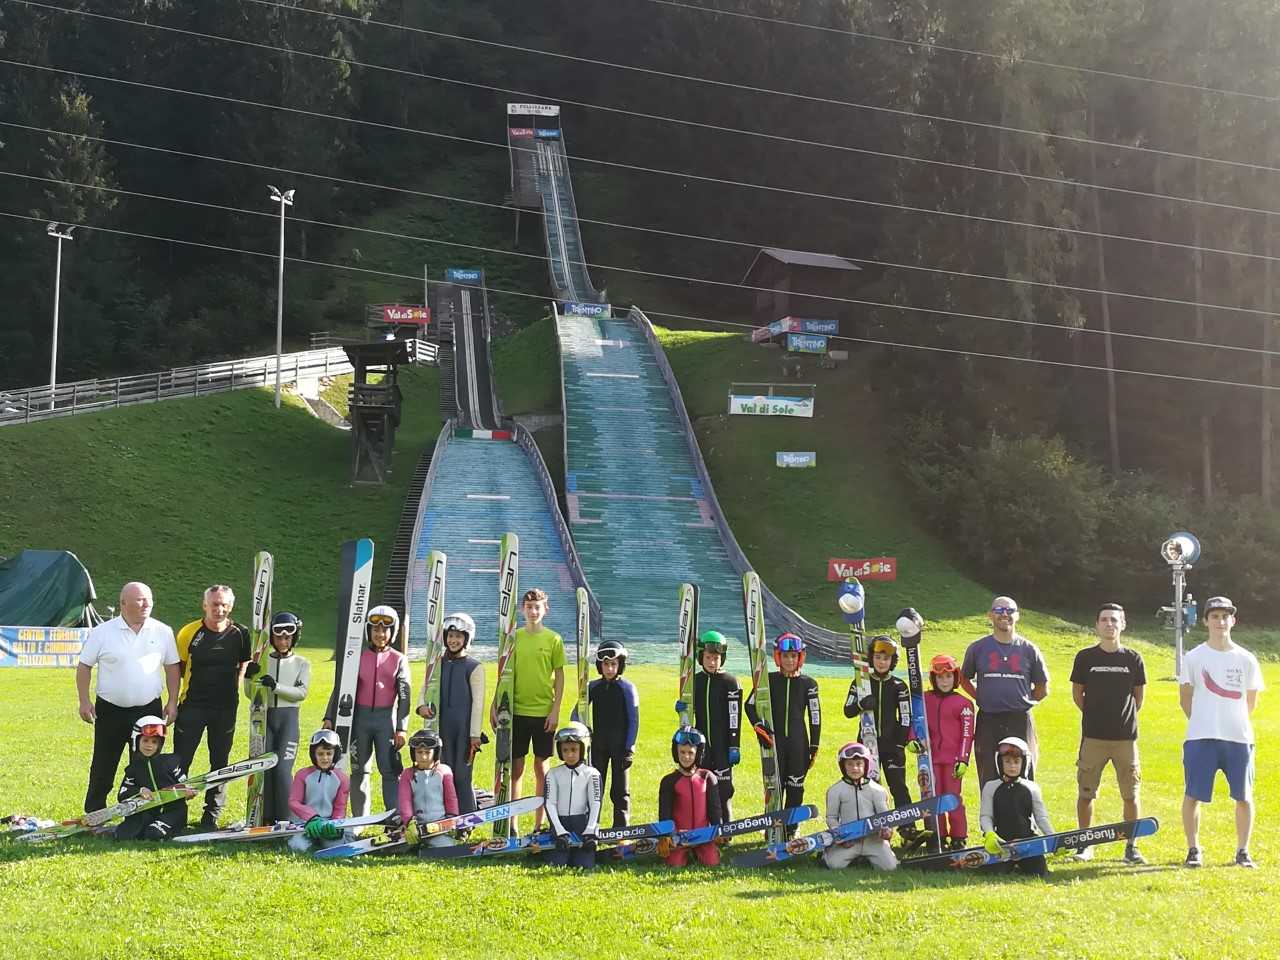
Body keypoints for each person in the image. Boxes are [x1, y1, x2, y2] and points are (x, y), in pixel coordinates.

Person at [76, 582, 181, 813]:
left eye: (149, 599)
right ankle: (94, 814)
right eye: (140, 600)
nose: (146, 604)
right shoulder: (103, 632)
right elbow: (84, 666)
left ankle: (142, 814)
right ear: (123, 603)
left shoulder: (163, 631)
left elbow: (173, 667)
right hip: (110, 711)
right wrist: (84, 700)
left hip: (148, 711)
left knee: (145, 766)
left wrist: (172, 701)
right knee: (103, 764)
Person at [1179, 597, 1264, 869]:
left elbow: (1250, 702)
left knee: (1244, 796)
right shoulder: (1193, 657)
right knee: (1193, 795)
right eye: (1214, 616)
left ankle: (1242, 851)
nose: (1220, 621)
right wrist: (1204, 720)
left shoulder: (1246, 659)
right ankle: (1193, 849)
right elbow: (1185, 698)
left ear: (1233, 620)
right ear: (1205, 621)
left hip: (1238, 738)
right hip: (1200, 737)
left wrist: (1231, 720)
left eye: (1225, 616)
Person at [1069, 602, 1147, 864]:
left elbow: (1138, 698)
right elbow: (1078, 694)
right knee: (1086, 793)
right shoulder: (1085, 657)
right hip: (1093, 738)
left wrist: (1122, 720)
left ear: (1123, 624)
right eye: (1104, 620)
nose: (1109, 624)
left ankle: (1131, 847)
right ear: (1097, 625)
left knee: (1131, 795)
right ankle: (1085, 844)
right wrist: (1095, 715)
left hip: (1125, 740)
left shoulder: (1133, 658)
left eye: (1114, 620)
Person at [173, 585, 253, 830]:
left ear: (231, 606)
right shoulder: (188, 632)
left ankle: (211, 816)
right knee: (180, 762)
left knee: (220, 763)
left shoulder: (241, 633)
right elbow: (178, 668)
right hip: (192, 706)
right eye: (215, 604)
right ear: (205, 605)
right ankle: (175, 814)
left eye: (224, 605)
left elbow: (244, 662)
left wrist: (237, 685)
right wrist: (173, 702)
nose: (219, 609)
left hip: (225, 709)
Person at [323, 605, 411, 818]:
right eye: (375, 629)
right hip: (359, 721)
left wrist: (402, 728)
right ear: (368, 631)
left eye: (385, 630)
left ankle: (394, 818)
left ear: (393, 632)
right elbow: (340, 689)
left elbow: (405, 696)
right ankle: (360, 821)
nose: (380, 634)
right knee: (359, 771)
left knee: (389, 771)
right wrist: (329, 717)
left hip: (386, 722)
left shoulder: (399, 659)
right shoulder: (357, 657)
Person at [491, 588, 565, 831]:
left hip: (543, 713)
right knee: (516, 769)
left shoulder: (554, 639)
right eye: (529, 607)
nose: (533, 611)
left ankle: (538, 823)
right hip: (517, 713)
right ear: (522, 609)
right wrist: (494, 703)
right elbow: (503, 674)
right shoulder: (514, 638)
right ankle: (512, 823)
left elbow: (560, 676)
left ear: (545, 609)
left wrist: (555, 710)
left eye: (537, 607)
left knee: (541, 768)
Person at [960, 596, 1049, 786]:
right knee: (989, 774)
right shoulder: (977, 648)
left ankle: (1023, 807)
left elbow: (1042, 688)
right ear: (990, 615)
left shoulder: (1029, 649)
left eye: (1010, 610)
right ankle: (990, 807)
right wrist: (982, 697)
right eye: (999, 610)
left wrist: (1022, 700)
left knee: (1023, 773)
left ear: (1017, 616)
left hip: (1020, 719)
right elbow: (964, 679)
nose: (1005, 614)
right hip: (988, 720)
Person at [745, 632, 821, 830]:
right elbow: (749, 705)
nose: (789, 660)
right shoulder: (767, 680)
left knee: (795, 790)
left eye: (794, 656)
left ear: (800, 657)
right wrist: (759, 726)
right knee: (774, 788)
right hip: (773, 745)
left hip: (799, 745)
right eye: (785, 656)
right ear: (778, 657)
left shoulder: (809, 684)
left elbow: (815, 716)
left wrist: (814, 746)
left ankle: (791, 828)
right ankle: (773, 828)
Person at [243, 611, 311, 824]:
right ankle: (265, 816)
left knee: (282, 770)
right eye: (279, 637)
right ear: (272, 639)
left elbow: (301, 693)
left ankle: (287, 817)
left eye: (287, 637)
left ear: (294, 637)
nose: (283, 641)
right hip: (265, 718)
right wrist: (248, 677)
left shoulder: (302, 663)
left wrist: (276, 687)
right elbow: (250, 694)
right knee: (264, 768)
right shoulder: (264, 661)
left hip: (288, 720)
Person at [843, 635, 915, 838]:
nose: (882, 662)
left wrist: (900, 744)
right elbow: (847, 710)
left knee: (898, 786)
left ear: (893, 661)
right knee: (867, 788)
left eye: (886, 658)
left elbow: (906, 717)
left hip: (892, 745)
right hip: (867, 745)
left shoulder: (899, 686)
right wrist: (861, 704)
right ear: (871, 658)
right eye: (878, 657)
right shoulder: (861, 683)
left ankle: (907, 828)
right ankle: (868, 828)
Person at [418, 612, 485, 815]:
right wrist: (421, 706)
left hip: (464, 731)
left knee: (462, 776)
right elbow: (424, 689)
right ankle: (444, 814)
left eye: (458, 636)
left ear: (467, 638)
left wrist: (474, 735)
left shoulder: (474, 667)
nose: (453, 640)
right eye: (450, 635)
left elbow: (478, 704)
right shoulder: (436, 664)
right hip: (441, 728)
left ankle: (467, 817)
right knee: (442, 773)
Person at [579, 639, 639, 828]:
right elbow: (577, 711)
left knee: (620, 791)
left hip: (620, 748)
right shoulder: (592, 687)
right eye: (606, 664)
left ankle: (621, 829)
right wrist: (582, 731)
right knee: (595, 789)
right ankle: (591, 826)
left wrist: (629, 748)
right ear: (600, 666)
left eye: (614, 664)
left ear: (620, 665)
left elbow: (634, 720)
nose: (610, 669)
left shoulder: (627, 688)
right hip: (598, 746)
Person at [979, 736, 1053, 877]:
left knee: (1039, 873)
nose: (1012, 766)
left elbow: (1041, 817)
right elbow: (986, 815)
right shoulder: (990, 787)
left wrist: (1053, 839)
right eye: (1007, 761)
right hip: (1002, 844)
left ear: (1024, 763)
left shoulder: (1032, 788)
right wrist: (989, 834)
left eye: (1016, 762)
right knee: (994, 874)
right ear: (999, 763)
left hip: (1028, 843)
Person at [688, 630, 742, 820]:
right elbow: (689, 711)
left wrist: (734, 745)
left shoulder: (730, 682)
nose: (712, 662)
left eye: (716, 658)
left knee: (724, 790)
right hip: (702, 746)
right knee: (701, 789)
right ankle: (705, 827)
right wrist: (682, 707)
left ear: (722, 658)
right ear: (701, 657)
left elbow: (735, 716)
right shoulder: (695, 681)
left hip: (723, 746)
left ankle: (726, 828)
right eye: (708, 658)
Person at [922, 653, 974, 851]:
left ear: (956, 677)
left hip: (953, 760)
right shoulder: (925, 699)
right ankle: (937, 834)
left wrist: (963, 759)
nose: (944, 681)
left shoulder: (964, 704)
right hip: (930, 759)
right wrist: (912, 739)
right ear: (933, 679)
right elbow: (917, 721)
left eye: (948, 676)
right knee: (932, 797)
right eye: (940, 677)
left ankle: (959, 836)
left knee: (952, 797)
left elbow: (967, 734)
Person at [112, 716, 193, 842]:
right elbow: (123, 794)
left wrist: (188, 792)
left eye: (154, 742)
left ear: (160, 744)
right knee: (123, 835)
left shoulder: (171, 763)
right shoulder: (133, 768)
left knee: (153, 834)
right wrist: (139, 791)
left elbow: (185, 784)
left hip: (172, 812)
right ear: (136, 740)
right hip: (147, 812)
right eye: (145, 741)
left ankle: (168, 828)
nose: (149, 746)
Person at [823, 742, 897, 871]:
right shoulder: (835, 790)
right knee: (834, 865)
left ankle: (869, 856)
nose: (855, 768)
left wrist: (887, 831)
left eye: (859, 764)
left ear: (866, 765)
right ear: (843, 766)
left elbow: (885, 817)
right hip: (849, 841)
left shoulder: (877, 790)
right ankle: (826, 853)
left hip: (873, 840)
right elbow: (831, 817)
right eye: (850, 764)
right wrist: (840, 835)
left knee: (890, 867)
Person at [658, 727, 724, 866]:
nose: (686, 757)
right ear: (675, 752)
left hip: (704, 836)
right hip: (678, 838)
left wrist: (718, 830)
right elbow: (665, 812)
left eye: (690, 753)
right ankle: (685, 853)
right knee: (674, 864)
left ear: (698, 753)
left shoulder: (707, 777)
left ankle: (702, 851)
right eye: (682, 752)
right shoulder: (669, 781)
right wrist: (665, 835)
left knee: (712, 862)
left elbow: (715, 809)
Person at [543, 722, 601, 869]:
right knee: (557, 863)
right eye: (565, 750)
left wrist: (590, 830)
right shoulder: (553, 774)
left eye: (574, 749)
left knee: (585, 864)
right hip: (560, 824)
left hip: (582, 825)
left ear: (583, 749)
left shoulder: (592, 774)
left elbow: (595, 803)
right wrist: (559, 831)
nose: (569, 754)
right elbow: (550, 803)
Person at [287, 729, 351, 854]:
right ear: (313, 755)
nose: (325, 758)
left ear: (335, 754)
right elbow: (294, 802)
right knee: (299, 846)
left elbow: (340, 807)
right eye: (320, 754)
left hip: (328, 822)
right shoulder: (302, 775)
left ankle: (338, 837)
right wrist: (311, 817)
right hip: (306, 822)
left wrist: (335, 825)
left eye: (329, 753)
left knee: (334, 846)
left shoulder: (342, 779)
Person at [397, 730, 458, 851]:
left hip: (439, 826)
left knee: (446, 847)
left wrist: (452, 819)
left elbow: (451, 798)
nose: (423, 756)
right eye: (419, 752)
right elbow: (405, 801)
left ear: (436, 753)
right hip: (415, 826)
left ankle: (430, 843)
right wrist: (409, 822)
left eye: (427, 752)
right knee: (398, 848)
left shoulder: (444, 771)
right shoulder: (407, 774)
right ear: (413, 753)